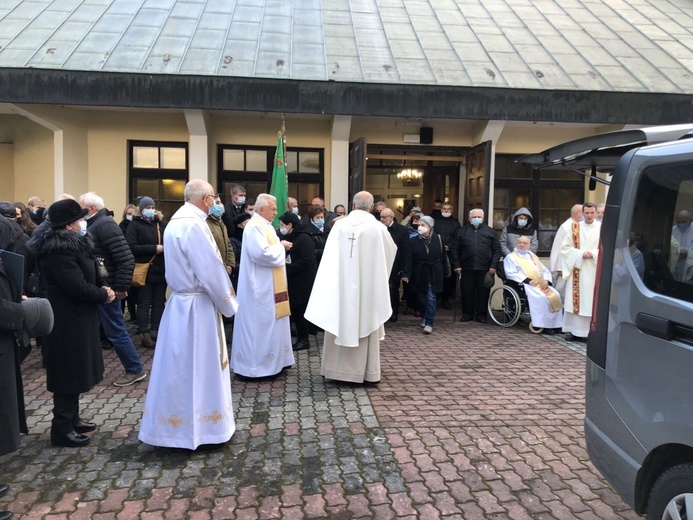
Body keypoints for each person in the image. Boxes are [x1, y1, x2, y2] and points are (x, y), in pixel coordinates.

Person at [139, 180, 239, 450]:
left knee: (177, 368)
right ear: (207, 199)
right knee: (201, 367)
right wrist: (231, 305)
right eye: (214, 198)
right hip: (198, 307)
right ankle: (205, 429)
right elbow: (211, 270)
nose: (216, 202)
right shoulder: (195, 224)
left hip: (180, 303)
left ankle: (173, 428)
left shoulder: (175, 221)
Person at [27, 199, 116, 447]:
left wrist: (101, 286)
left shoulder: (72, 243)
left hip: (78, 317)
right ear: (68, 225)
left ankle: (73, 418)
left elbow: (87, 275)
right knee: (67, 372)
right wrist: (103, 294)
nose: (83, 222)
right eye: (78, 219)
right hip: (65, 320)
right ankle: (62, 428)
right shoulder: (58, 250)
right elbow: (75, 286)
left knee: (76, 370)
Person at [305, 191, 396, 384]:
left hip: (340, 289)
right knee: (366, 319)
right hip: (367, 290)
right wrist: (376, 279)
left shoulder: (339, 226)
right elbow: (390, 253)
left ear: (353, 206)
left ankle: (334, 370)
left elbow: (328, 260)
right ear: (371, 208)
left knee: (339, 317)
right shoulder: (377, 228)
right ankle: (366, 373)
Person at [79, 192, 147, 387]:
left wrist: (120, 287)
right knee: (103, 329)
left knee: (115, 330)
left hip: (108, 287)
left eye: (81, 206)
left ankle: (134, 369)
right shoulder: (97, 224)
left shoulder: (104, 225)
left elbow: (125, 257)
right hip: (101, 286)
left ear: (91, 208)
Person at [231, 194, 295, 379]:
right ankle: (257, 367)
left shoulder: (265, 226)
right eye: (273, 209)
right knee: (260, 326)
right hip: (259, 288)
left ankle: (277, 361)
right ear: (261, 210)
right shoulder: (254, 227)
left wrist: (281, 245)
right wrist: (282, 247)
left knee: (275, 324)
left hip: (272, 285)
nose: (276, 212)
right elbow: (261, 254)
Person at [126, 196, 166, 349]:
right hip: (144, 269)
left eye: (152, 208)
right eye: (147, 208)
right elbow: (131, 246)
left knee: (158, 302)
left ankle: (156, 330)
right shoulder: (135, 225)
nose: (150, 210)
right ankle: (144, 333)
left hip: (160, 269)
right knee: (144, 302)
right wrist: (153, 248)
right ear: (140, 210)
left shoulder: (160, 224)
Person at [503, 236, 563, 333]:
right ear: (516, 243)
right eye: (520, 242)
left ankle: (556, 324)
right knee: (542, 298)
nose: (522, 245)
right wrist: (527, 280)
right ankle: (542, 325)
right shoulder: (511, 257)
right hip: (525, 284)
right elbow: (510, 273)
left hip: (540, 283)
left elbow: (544, 270)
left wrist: (547, 280)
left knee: (556, 295)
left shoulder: (532, 256)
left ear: (529, 245)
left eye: (525, 243)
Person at [451, 209, 501, 323]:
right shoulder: (461, 231)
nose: (476, 219)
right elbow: (455, 249)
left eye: (479, 217)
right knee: (467, 292)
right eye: (474, 217)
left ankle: (481, 315)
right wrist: (457, 265)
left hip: (485, 268)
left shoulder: (490, 231)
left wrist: (493, 266)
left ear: (483, 218)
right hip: (466, 267)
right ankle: (467, 314)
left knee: (483, 292)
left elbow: (497, 250)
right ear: (469, 219)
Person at [560, 202, 601, 341]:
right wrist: (580, 254)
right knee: (576, 302)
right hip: (578, 268)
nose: (589, 216)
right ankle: (575, 331)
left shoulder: (602, 228)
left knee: (591, 301)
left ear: (595, 213)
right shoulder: (575, 227)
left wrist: (594, 254)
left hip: (595, 270)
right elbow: (565, 248)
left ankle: (591, 332)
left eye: (592, 213)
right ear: (582, 213)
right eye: (587, 213)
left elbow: (606, 247)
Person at [278, 211, 317, 351]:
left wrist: (286, 268)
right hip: (293, 279)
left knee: (299, 310)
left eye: (282, 225)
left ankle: (304, 339)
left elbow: (307, 260)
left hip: (302, 280)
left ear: (290, 225)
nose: (280, 227)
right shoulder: (291, 236)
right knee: (295, 309)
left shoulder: (303, 238)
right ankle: (299, 335)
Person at [401, 216, 444, 334]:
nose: (420, 227)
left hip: (434, 272)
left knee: (431, 297)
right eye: (419, 225)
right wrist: (406, 274)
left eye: (423, 225)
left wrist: (445, 272)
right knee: (420, 298)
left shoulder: (438, 238)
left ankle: (429, 322)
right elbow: (409, 258)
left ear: (430, 227)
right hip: (419, 272)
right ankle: (424, 315)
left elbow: (443, 257)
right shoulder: (413, 240)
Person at [380, 208, 410, 322]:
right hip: (381, 264)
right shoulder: (379, 229)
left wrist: (404, 269)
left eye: (384, 217)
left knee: (393, 289)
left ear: (391, 217)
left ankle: (393, 312)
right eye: (381, 217)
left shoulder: (402, 230)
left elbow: (406, 251)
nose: (382, 219)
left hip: (395, 265)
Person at [549, 204, 583, 296]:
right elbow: (559, 248)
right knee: (562, 293)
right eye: (583, 212)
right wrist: (559, 267)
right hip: (564, 267)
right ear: (577, 214)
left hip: (576, 264)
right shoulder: (567, 227)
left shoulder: (580, 226)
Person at [433, 202, 461, 309]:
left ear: (451, 210)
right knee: (436, 275)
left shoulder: (455, 223)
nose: (446, 210)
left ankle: (446, 299)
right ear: (441, 210)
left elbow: (457, 237)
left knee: (448, 277)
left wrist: (449, 246)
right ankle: (435, 298)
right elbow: (433, 234)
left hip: (450, 253)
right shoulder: (435, 221)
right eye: (444, 208)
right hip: (437, 252)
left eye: (448, 209)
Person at [207, 195, 236, 280]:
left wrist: (230, 265)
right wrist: (223, 266)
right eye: (217, 203)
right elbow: (211, 248)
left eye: (220, 202)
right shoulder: (206, 223)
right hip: (215, 270)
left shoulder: (221, 223)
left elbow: (228, 244)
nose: (220, 205)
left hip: (226, 270)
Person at [118, 204, 138, 322]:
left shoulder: (136, 226)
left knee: (133, 292)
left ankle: (133, 314)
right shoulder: (121, 226)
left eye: (132, 213)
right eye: (128, 213)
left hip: (134, 261)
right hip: (124, 261)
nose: (130, 216)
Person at [670, 210, 693, 281]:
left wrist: (688, 252)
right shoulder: (673, 230)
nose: (680, 224)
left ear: (690, 220)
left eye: (683, 222)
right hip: (676, 261)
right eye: (678, 222)